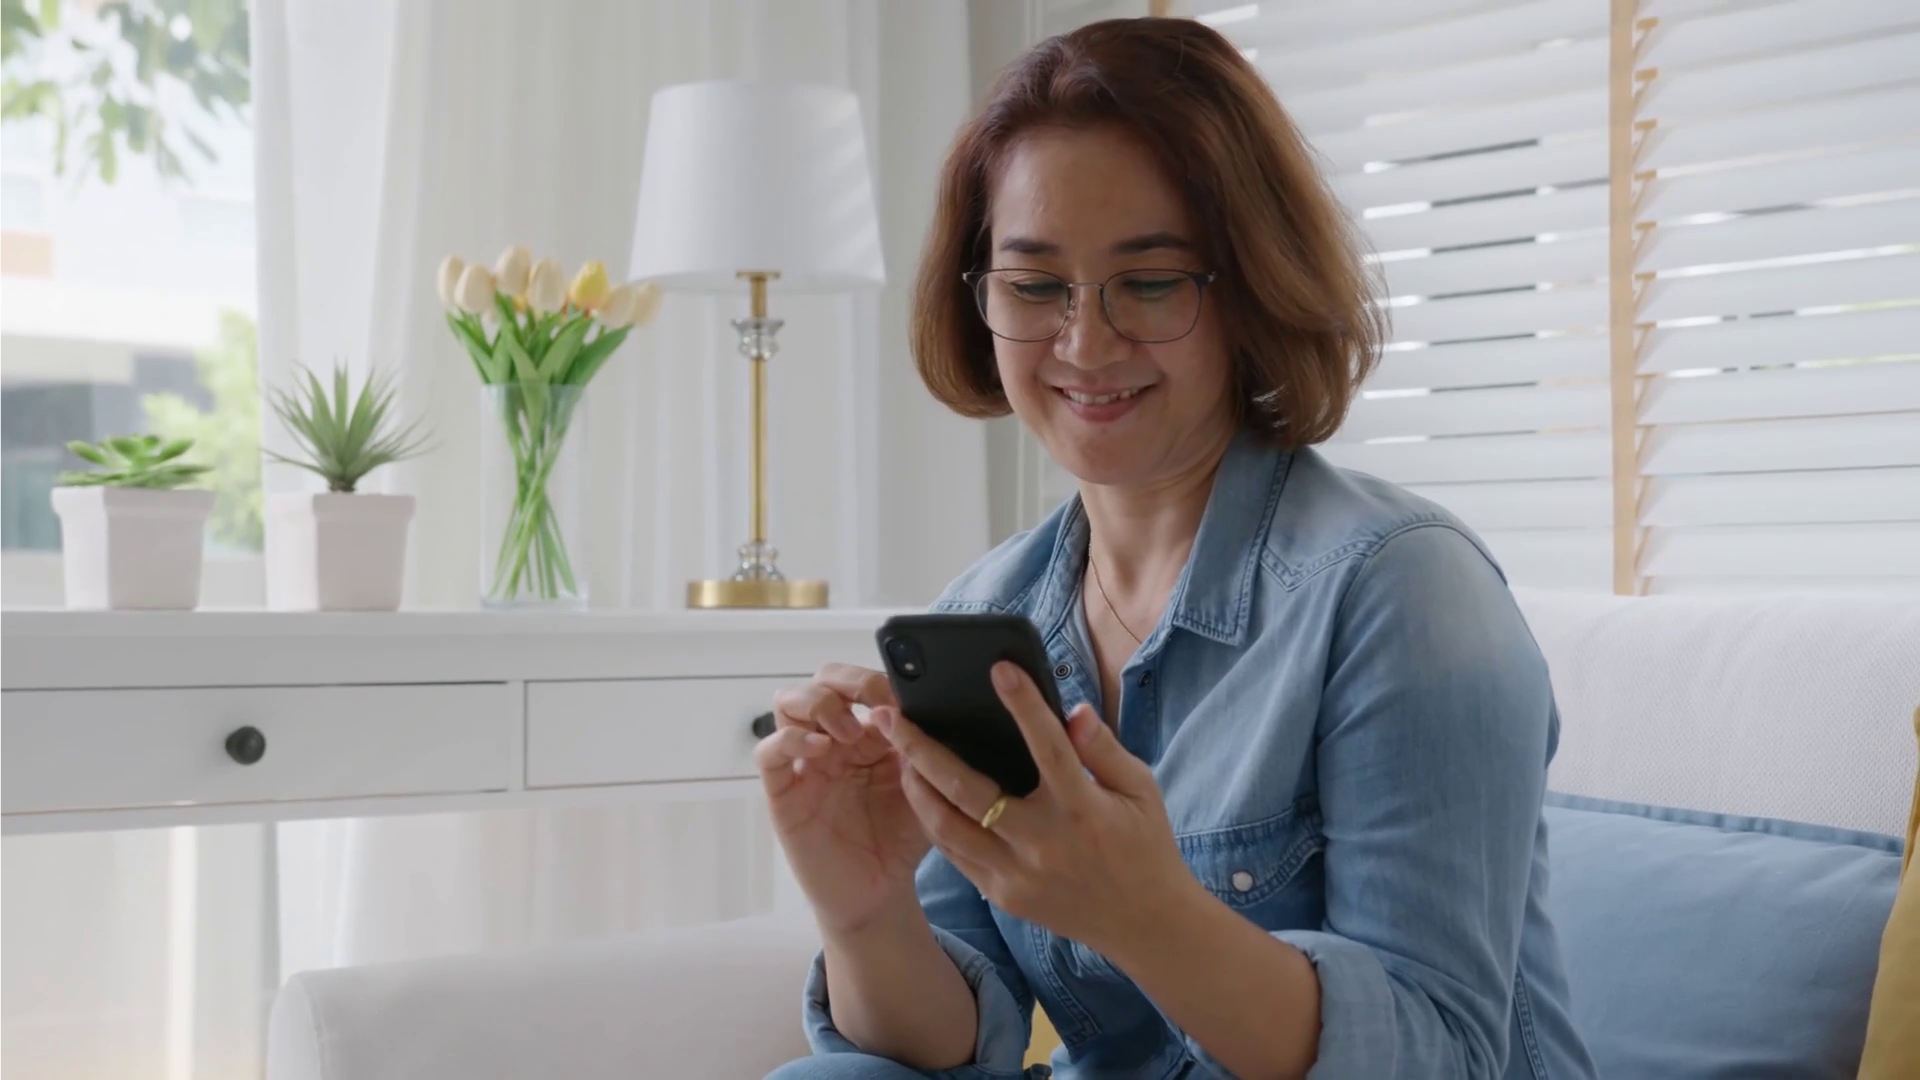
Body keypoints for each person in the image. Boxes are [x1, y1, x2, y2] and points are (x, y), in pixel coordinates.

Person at [759, 16, 1597, 1080]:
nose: (1084, 343)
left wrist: (1142, 913)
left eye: (1150, 281)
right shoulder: (988, 616)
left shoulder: (1402, 593)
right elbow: (956, 1048)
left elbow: (1441, 1054)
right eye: (1035, 286)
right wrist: (864, 914)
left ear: (1248, 289)